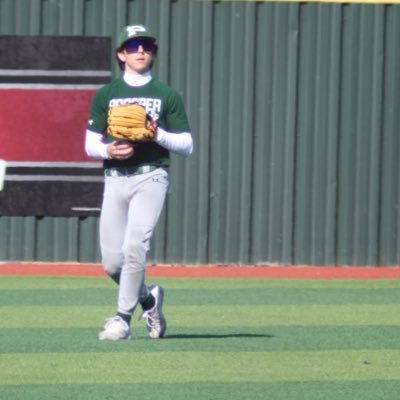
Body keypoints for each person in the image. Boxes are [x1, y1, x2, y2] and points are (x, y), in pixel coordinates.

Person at [84, 24, 193, 340]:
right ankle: (150, 299)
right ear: (121, 55)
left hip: (151, 175)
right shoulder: (106, 95)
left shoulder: (166, 95)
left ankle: (121, 320)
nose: (141, 51)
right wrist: (108, 149)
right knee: (112, 263)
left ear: (153, 53)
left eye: (146, 46)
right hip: (115, 178)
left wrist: (156, 133)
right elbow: (90, 144)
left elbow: (187, 144)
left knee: (135, 246)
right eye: (133, 46)